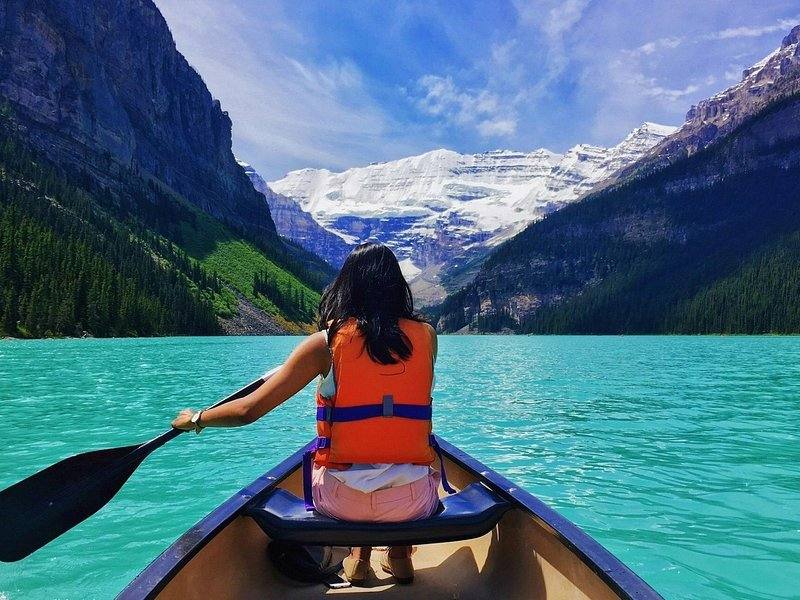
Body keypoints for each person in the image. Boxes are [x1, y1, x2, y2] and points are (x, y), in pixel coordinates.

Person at [172, 242, 445, 585]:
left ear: (347, 285)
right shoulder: (427, 337)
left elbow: (247, 410)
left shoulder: (326, 343)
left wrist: (197, 418)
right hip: (411, 503)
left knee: (344, 470)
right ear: (396, 287)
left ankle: (358, 557)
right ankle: (400, 555)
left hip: (342, 502)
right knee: (412, 465)